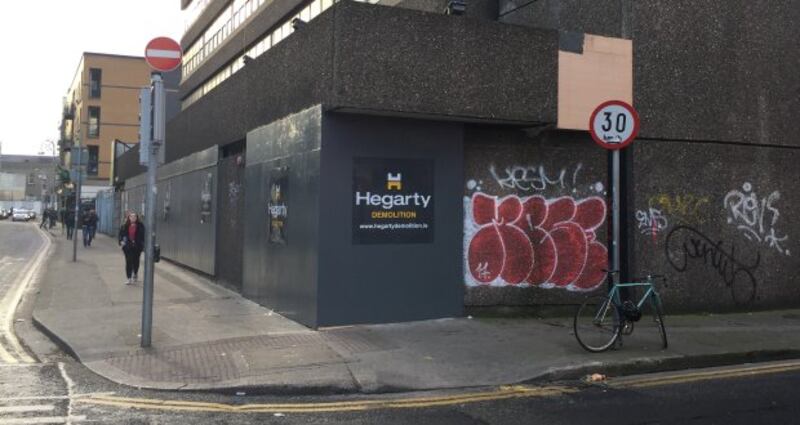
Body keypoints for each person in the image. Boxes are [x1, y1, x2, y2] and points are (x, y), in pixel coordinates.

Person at [118, 212, 145, 285]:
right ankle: (129, 278)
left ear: (137, 218)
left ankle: (135, 273)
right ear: (129, 218)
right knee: (128, 261)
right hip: (127, 247)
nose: (133, 218)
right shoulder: (124, 226)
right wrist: (121, 242)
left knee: (136, 261)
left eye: (134, 217)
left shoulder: (140, 225)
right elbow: (120, 235)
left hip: (137, 247)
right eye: (131, 216)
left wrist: (142, 244)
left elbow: (143, 236)